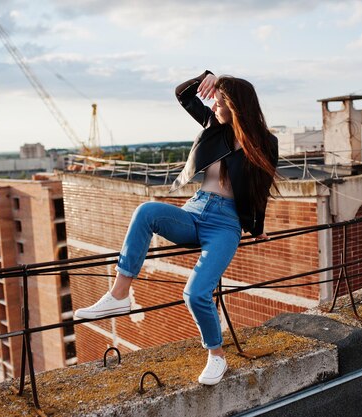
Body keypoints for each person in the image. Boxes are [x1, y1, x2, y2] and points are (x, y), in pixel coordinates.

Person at [75, 70, 279, 386]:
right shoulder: (214, 127)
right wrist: (206, 77)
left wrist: (256, 229)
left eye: (219, 102)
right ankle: (119, 294)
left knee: (196, 293)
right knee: (146, 212)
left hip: (226, 224)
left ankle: (216, 355)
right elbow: (183, 94)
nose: (213, 107)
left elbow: (261, 189)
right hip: (195, 211)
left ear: (235, 106)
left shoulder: (266, 142)